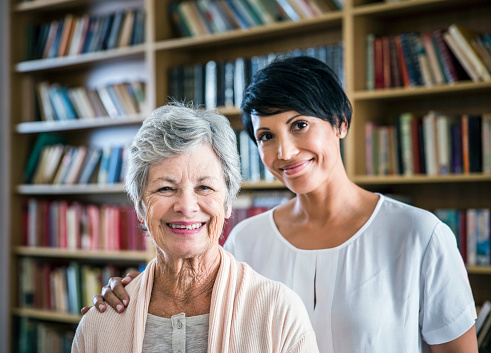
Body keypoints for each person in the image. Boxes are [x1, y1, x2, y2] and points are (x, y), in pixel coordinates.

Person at [86, 57, 478, 353]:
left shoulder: (419, 235)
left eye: (300, 125)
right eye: (266, 135)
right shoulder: (247, 238)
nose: (285, 151)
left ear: (341, 122)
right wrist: (127, 295)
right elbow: (185, 272)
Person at [72, 103, 319, 353]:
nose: (187, 207)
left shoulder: (280, 312)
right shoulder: (99, 323)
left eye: (204, 187)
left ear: (227, 203)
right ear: (140, 207)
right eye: (165, 188)